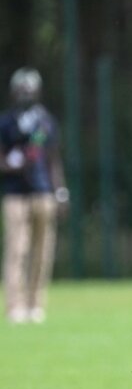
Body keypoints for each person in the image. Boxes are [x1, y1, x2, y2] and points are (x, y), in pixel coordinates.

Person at [0, 68, 68, 325]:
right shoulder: (6, 122)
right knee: (16, 250)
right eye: (22, 89)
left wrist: (60, 191)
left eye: (29, 90)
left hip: (42, 192)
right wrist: (12, 165)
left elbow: (53, 160)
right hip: (15, 194)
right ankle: (14, 306)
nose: (25, 94)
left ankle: (35, 304)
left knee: (42, 253)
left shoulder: (45, 122)